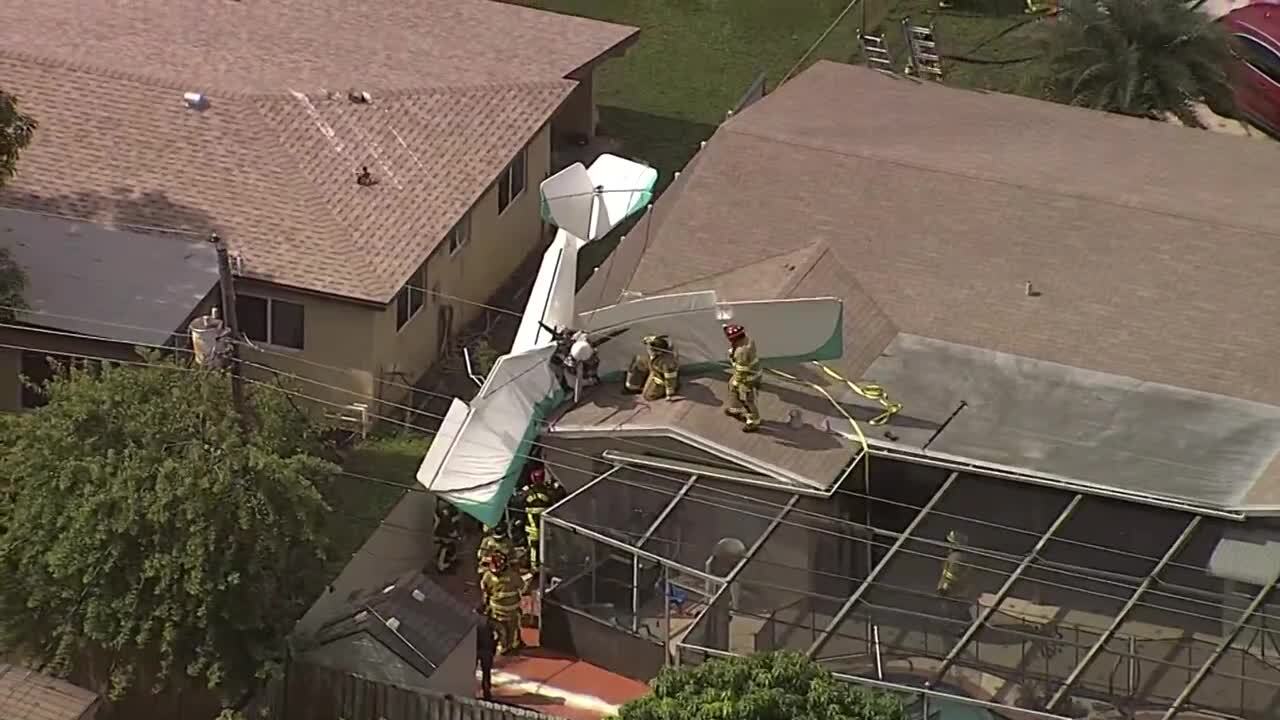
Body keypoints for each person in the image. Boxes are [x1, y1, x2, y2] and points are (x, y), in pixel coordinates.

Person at [481, 552, 525, 654]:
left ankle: (505, 646)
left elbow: (485, 592)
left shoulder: (487, 576)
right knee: (509, 630)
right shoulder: (513, 576)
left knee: (504, 631)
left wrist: (485, 605)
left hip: (504, 612)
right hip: (504, 611)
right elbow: (522, 587)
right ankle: (508, 646)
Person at [722, 324, 762, 432]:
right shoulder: (747, 340)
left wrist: (738, 382)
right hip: (751, 374)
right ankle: (736, 409)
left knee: (747, 400)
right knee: (732, 387)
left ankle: (754, 421)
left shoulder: (741, 352)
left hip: (747, 380)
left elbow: (742, 370)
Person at [624, 335, 680, 401]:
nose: (648, 349)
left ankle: (659, 390)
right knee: (639, 360)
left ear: (658, 352)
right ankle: (633, 386)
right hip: (653, 365)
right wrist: (648, 339)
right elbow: (645, 340)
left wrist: (669, 394)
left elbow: (670, 380)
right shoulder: (654, 347)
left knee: (647, 396)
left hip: (661, 376)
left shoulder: (668, 363)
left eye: (650, 349)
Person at [523, 469, 555, 571]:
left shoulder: (526, 492)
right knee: (547, 547)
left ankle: (534, 567)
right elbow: (559, 496)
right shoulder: (549, 492)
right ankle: (548, 566)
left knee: (533, 548)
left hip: (531, 527)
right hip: (546, 526)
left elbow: (517, 502)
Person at [431, 498, 461, 574]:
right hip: (444, 534)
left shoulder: (441, 510)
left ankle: (445, 562)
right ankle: (442, 564)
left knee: (447, 545)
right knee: (447, 545)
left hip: (443, 533)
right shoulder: (447, 512)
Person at [937, 530, 969, 597]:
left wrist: (944, 588)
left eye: (949, 543)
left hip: (951, 594)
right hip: (955, 593)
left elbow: (951, 575)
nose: (946, 545)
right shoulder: (958, 556)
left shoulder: (954, 557)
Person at [475, 609, 498, 701]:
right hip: (487, 651)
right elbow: (500, 632)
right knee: (486, 672)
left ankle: (470, 690)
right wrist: (494, 645)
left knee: (472, 671)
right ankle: (486, 691)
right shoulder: (489, 622)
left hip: (475, 650)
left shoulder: (472, 620)